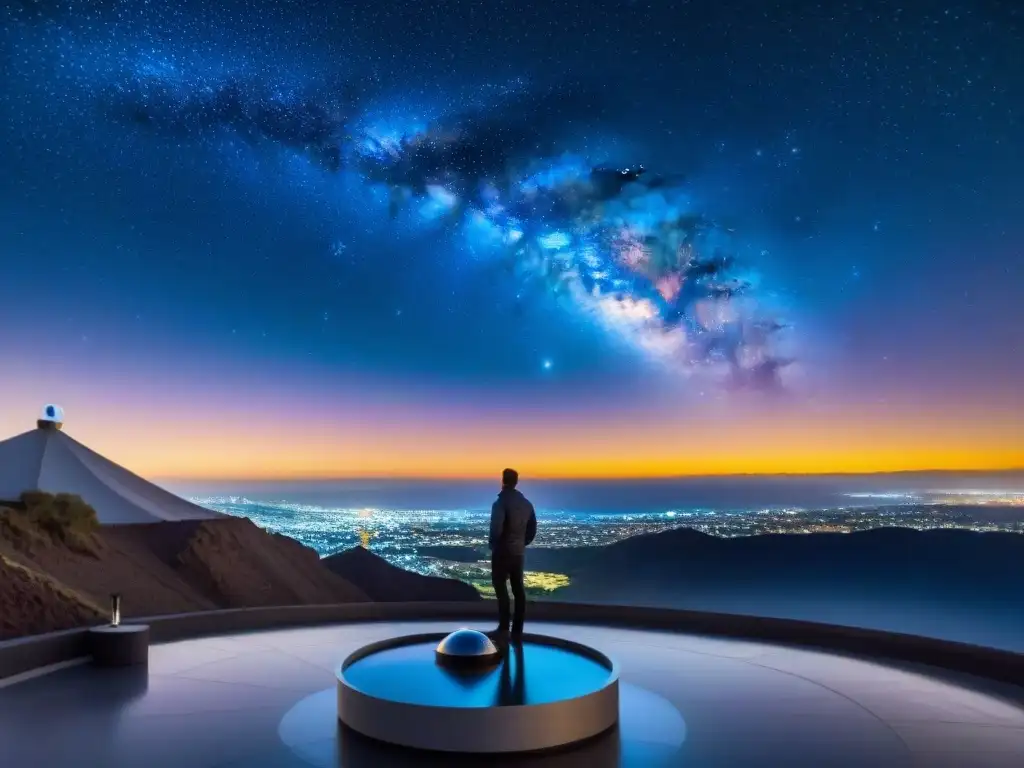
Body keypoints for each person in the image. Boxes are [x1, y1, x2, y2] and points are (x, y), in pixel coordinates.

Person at [488, 467, 537, 639]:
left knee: (500, 586)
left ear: (503, 481)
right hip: (518, 553)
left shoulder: (500, 503)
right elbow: (532, 529)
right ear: (516, 482)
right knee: (518, 589)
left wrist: (494, 545)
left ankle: (503, 627)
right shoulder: (527, 504)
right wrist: (522, 543)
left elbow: (496, 530)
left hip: (502, 552)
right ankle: (517, 629)